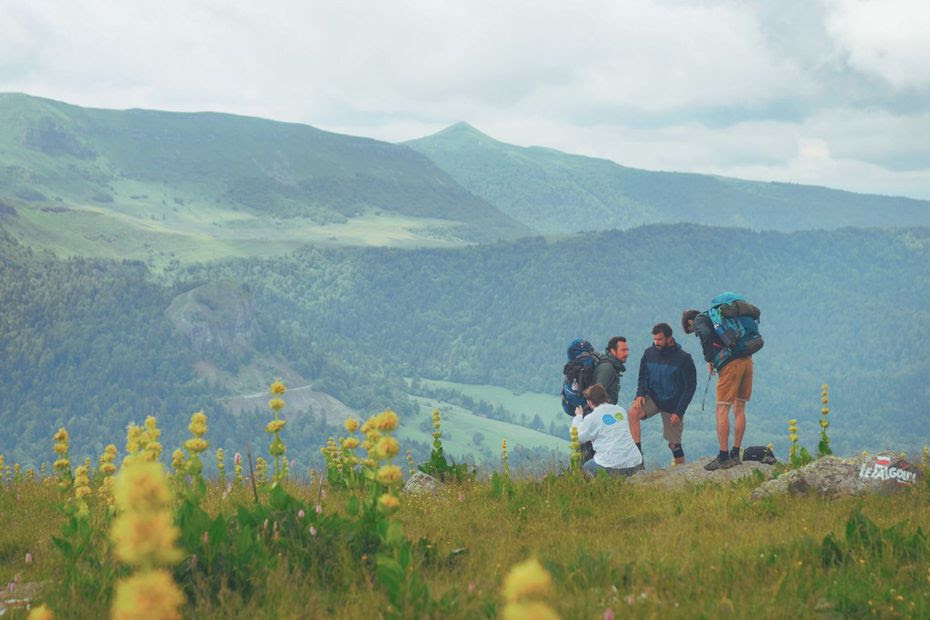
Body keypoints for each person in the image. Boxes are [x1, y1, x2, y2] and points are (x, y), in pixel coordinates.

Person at [682, 308, 754, 471]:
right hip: (747, 360)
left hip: (731, 364)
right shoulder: (720, 317)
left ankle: (723, 457)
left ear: (690, 322)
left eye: (692, 331)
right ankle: (735, 454)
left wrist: (710, 359)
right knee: (740, 407)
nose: (695, 332)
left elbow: (706, 336)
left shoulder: (700, 321)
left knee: (722, 409)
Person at [629, 323, 696, 465]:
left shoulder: (684, 359)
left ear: (669, 338)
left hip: (673, 405)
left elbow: (690, 387)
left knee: (674, 445)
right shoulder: (649, 353)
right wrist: (640, 394)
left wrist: (679, 411)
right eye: (654, 339)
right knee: (633, 412)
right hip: (653, 398)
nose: (656, 343)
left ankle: (680, 473)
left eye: (659, 339)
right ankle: (637, 457)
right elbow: (643, 376)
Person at [572, 384, 643, 478]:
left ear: (589, 402)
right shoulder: (620, 410)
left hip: (611, 465)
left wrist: (578, 417)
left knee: (586, 467)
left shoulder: (593, 417)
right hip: (635, 462)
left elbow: (579, 437)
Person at [594, 336, 628, 405]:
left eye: (627, 350)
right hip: (601, 413)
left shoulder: (612, 366)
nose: (626, 353)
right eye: (623, 350)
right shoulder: (607, 368)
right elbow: (596, 395)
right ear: (613, 351)